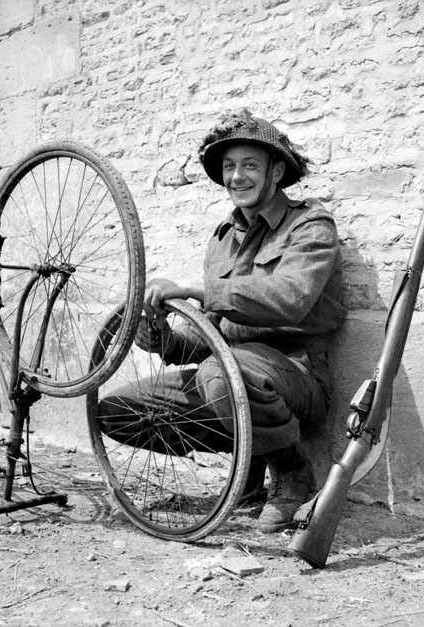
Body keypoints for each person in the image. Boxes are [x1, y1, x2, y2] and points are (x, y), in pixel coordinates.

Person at [98, 109, 347, 533]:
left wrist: (195, 289)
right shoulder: (222, 239)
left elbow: (292, 299)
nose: (237, 177)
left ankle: (290, 474)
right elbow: (204, 338)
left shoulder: (311, 225)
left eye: (250, 165)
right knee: (119, 411)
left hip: (298, 374)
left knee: (220, 376)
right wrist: (159, 333)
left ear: (277, 171)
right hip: (228, 372)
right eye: (230, 167)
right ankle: (247, 470)